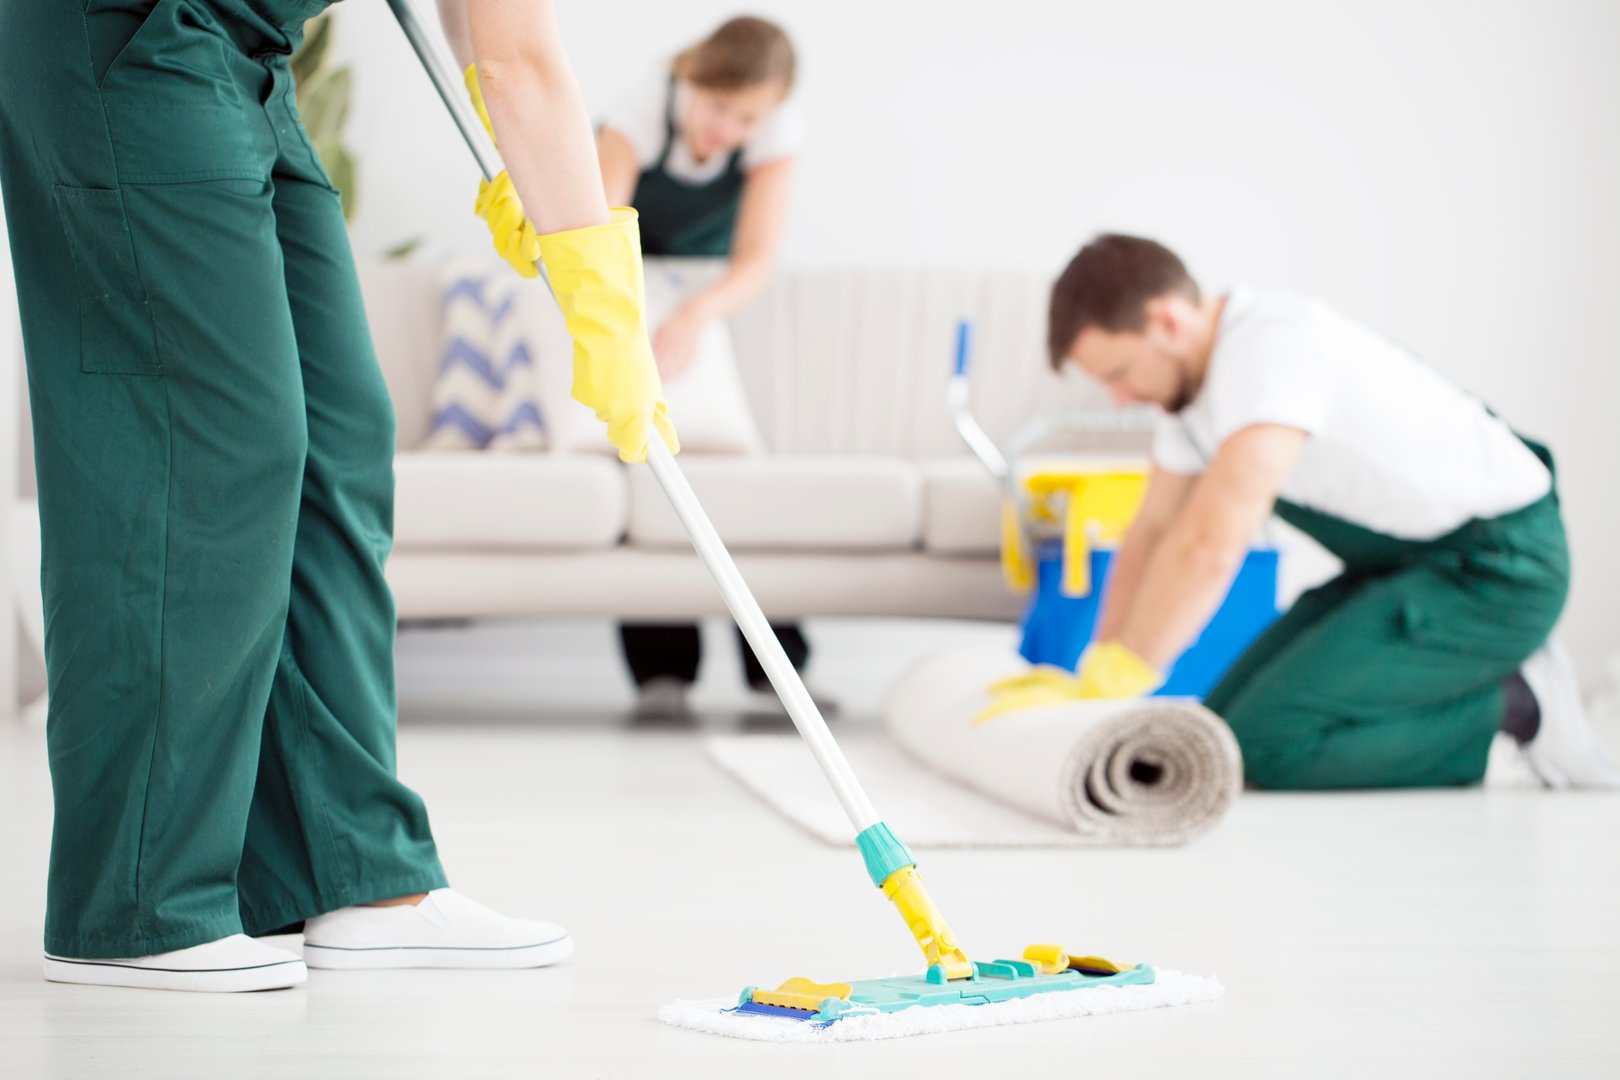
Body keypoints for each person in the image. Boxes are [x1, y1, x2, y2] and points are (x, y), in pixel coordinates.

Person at [0, 0, 671, 992]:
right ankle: (136, 904)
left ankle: (354, 874)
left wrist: (536, 177)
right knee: (214, 438)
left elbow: (479, 25)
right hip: (124, 37)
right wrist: (603, 295)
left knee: (338, 430)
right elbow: (519, 60)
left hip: (241, 52)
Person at [1041, 234, 1619, 790]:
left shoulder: (1269, 348)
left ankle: (1519, 705)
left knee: (1273, 746)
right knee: (1220, 734)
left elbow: (1208, 547)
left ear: (1167, 322)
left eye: (1119, 374)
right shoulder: (1188, 402)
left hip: (1500, 567)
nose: (1120, 398)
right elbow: (1150, 533)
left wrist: (1126, 677)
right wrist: (1099, 666)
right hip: (1406, 565)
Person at [590, 16, 810, 718]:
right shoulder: (637, 111)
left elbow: (757, 258)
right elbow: (597, 236)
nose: (728, 131)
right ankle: (662, 674)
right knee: (650, 468)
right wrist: (634, 325)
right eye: (718, 108)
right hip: (633, 300)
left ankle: (779, 677)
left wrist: (694, 315)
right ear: (692, 81)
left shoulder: (773, 131)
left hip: (710, 307)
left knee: (739, 485)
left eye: (748, 119)